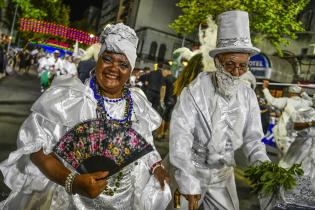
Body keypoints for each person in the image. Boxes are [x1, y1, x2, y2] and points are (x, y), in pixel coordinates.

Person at [0, 23, 170, 210]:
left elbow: (146, 143)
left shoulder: (137, 103)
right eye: (107, 59)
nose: (114, 68)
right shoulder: (69, 100)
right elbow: (36, 150)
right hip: (70, 202)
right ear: (98, 60)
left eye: (123, 64)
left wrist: (156, 166)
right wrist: (73, 181)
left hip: (125, 202)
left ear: (130, 70)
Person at [169, 10, 270, 210]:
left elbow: (253, 141)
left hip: (223, 177)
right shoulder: (195, 91)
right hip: (190, 171)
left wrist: (264, 168)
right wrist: (187, 179)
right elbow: (180, 136)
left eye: (243, 66)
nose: (236, 72)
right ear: (217, 61)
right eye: (230, 64)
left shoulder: (248, 95)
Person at [262, 80, 313, 155]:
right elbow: (311, 101)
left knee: (285, 161)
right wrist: (303, 93)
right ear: (299, 94)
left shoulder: (287, 100)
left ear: (291, 93)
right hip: (299, 135)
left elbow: (272, 101)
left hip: (286, 135)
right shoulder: (306, 103)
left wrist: (265, 88)